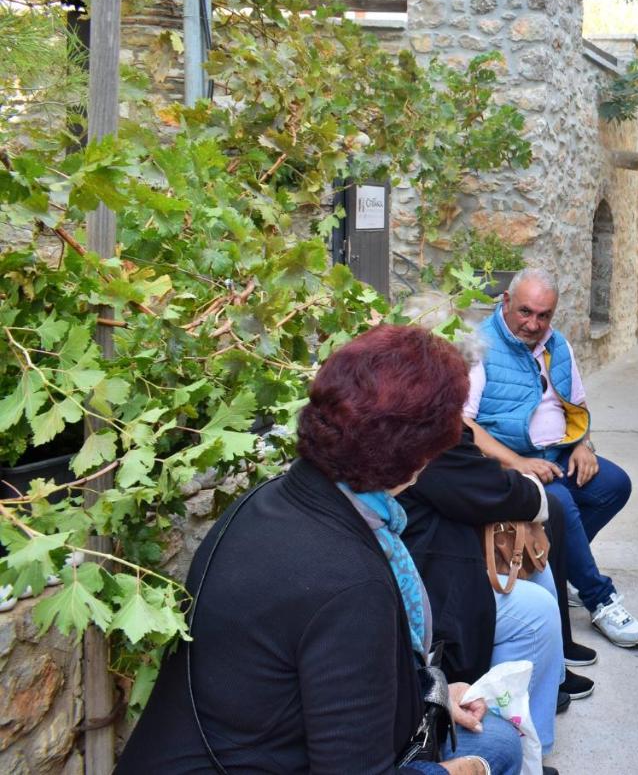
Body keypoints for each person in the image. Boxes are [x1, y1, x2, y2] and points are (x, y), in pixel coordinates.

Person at [117, 326, 521, 775]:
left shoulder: (270, 501)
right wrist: (460, 771)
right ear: (419, 454)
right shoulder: (352, 581)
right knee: (500, 749)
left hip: (198, 750)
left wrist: (434, 690)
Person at [464, 267, 638, 648]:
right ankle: (599, 598)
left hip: (558, 455)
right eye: (526, 312)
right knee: (560, 504)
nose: (534, 324)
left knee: (614, 485)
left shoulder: (557, 344)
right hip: (509, 462)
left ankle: (561, 566)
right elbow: (463, 424)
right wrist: (517, 462)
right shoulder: (480, 345)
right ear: (507, 302)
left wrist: (582, 445)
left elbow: (576, 405)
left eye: (544, 315)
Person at [399, 423, 598, 770]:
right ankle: (525, 752)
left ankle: (549, 688)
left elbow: (469, 449)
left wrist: (582, 444)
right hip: (426, 572)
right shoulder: (419, 424)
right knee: (536, 599)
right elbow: (468, 480)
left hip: (441, 544)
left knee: (541, 551)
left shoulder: (417, 415)